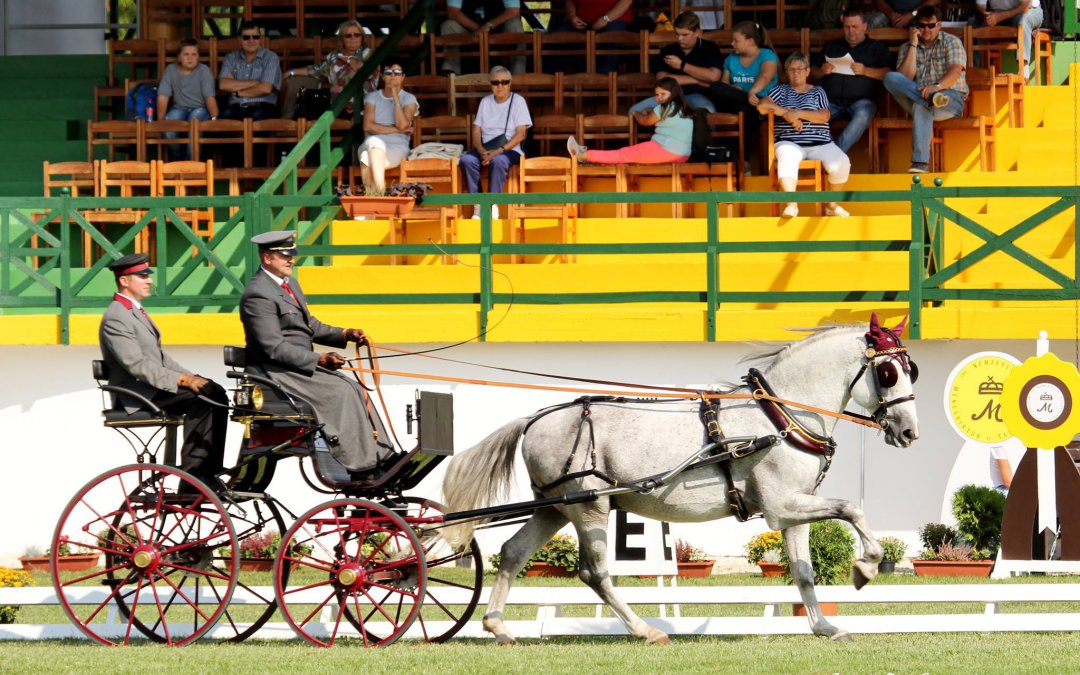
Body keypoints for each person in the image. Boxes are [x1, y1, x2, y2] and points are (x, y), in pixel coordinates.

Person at [239, 231, 394, 475]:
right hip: (275, 373)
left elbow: (309, 325)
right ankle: (359, 464)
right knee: (342, 390)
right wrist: (319, 358)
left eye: (292, 255)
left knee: (356, 387)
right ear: (267, 258)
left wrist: (344, 334)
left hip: (296, 366)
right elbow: (273, 347)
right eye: (284, 256)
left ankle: (382, 454)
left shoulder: (289, 284)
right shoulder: (258, 294)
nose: (291, 260)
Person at [98, 253, 229, 487]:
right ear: (124, 281)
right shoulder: (116, 316)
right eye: (142, 276)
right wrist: (184, 381)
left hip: (151, 388)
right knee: (201, 401)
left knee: (215, 392)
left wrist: (192, 377)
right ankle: (194, 477)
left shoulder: (134, 312)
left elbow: (160, 358)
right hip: (138, 395)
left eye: (148, 276)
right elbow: (136, 365)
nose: (149, 281)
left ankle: (210, 469)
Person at [757, 53, 852, 218]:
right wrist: (787, 113)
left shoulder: (818, 91)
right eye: (791, 70)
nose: (796, 73)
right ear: (787, 73)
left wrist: (799, 113)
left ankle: (832, 204)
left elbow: (824, 116)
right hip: (789, 141)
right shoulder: (781, 91)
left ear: (807, 71)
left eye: (800, 69)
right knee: (787, 157)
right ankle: (792, 204)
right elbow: (762, 105)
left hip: (820, 143)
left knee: (842, 163)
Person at [882, 6, 968, 173]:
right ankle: (930, 99)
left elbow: (956, 71)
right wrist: (913, 45)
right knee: (890, 78)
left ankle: (920, 163)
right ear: (916, 27)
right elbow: (903, 78)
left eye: (931, 25)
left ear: (939, 25)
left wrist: (936, 87)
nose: (926, 30)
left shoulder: (952, 42)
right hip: (919, 96)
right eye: (922, 26)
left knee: (921, 105)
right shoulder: (907, 47)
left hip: (950, 99)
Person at [811, 8, 892, 152]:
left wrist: (866, 71)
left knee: (863, 115)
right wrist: (822, 71)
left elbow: (889, 74)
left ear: (865, 26)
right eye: (847, 27)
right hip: (830, 101)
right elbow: (813, 73)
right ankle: (829, 151)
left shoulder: (877, 47)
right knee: (812, 116)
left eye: (855, 27)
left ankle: (835, 154)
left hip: (862, 102)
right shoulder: (832, 46)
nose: (851, 31)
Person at [704, 21, 779, 171]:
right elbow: (723, 86)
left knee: (745, 111)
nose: (732, 44)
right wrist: (734, 89)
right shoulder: (731, 58)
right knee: (714, 87)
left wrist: (752, 91)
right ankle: (742, 163)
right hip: (741, 104)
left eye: (736, 40)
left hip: (759, 104)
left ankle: (743, 161)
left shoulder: (766, 55)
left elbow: (765, 76)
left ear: (750, 41)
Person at [460, 66, 532, 220]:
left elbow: (521, 134)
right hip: (485, 147)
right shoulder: (485, 102)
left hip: (509, 148)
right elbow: (476, 131)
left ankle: (492, 204)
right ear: (490, 84)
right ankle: (478, 204)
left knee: (499, 161)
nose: (500, 86)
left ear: (510, 83)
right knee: (466, 160)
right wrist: (480, 150)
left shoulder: (518, 101)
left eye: (504, 82)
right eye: (496, 82)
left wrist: (499, 151)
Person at [568, 77, 693, 164]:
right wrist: (650, 111)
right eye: (657, 94)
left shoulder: (664, 107)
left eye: (663, 94)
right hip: (683, 154)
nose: (659, 97)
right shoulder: (681, 107)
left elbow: (645, 121)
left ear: (674, 93)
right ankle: (584, 155)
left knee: (622, 155)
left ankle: (583, 155)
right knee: (625, 155)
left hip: (666, 150)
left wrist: (636, 113)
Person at [628, 11, 722, 115]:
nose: (680, 38)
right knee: (633, 112)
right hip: (669, 96)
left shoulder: (709, 47)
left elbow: (714, 77)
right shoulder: (667, 50)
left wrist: (682, 65)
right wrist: (697, 80)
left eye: (685, 34)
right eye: (677, 34)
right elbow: (662, 80)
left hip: (698, 96)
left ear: (697, 32)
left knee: (708, 111)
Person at [281, 19, 379, 119]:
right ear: (342, 39)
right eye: (348, 35)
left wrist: (350, 60)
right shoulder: (333, 57)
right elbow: (315, 70)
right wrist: (291, 71)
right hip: (338, 108)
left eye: (357, 35)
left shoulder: (370, 55)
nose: (353, 38)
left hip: (364, 108)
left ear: (362, 37)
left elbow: (366, 70)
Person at [356, 63, 419, 193]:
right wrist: (397, 130)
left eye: (397, 73)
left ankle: (371, 199)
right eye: (388, 72)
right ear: (382, 76)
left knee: (365, 158)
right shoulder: (372, 97)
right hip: (370, 143)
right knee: (375, 142)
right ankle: (380, 191)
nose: (392, 76)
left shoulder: (409, 98)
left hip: (397, 147)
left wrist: (396, 98)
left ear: (402, 77)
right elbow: (368, 126)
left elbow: (402, 124)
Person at [156, 38, 219, 161]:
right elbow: (163, 96)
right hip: (179, 108)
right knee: (168, 127)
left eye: (193, 54)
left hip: (200, 108)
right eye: (186, 54)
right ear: (179, 57)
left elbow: (209, 97)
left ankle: (192, 164)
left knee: (194, 124)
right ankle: (178, 163)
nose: (190, 58)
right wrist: (161, 121)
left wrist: (215, 118)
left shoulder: (204, 70)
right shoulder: (171, 69)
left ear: (198, 57)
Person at [440, 0, 526, 75]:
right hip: (470, 29)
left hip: (498, 28)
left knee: (515, 25)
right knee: (448, 26)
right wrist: (478, 29)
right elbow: (452, 12)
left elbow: (514, 11)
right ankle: (451, 74)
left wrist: (488, 26)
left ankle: (518, 74)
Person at [218, 21, 282, 121]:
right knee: (220, 125)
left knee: (257, 124)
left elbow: (266, 88)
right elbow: (223, 85)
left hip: (264, 106)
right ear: (239, 40)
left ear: (260, 38)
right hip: (236, 106)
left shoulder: (271, 58)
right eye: (246, 37)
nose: (251, 40)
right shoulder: (230, 58)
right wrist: (256, 82)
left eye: (255, 36)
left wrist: (237, 92)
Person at [550, 0, 633, 73]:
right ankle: (553, 80)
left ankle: (604, 79)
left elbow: (626, 1)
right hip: (581, 22)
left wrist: (606, 19)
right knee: (555, 39)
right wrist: (572, 16)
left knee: (609, 39)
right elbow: (570, 2)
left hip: (612, 19)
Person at [972, 0, 1043, 80]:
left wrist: (999, 17)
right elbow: (980, 4)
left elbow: (1025, 6)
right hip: (998, 13)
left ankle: (1023, 71)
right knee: (973, 24)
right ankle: (974, 70)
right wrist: (986, 15)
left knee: (1022, 21)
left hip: (1029, 10)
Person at [870, 0, 942, 28]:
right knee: (874, 21)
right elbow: (877, 1)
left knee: (925, 25)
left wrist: (912, 14)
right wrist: (892, 15)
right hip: (890, 14)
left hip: (918, 13)